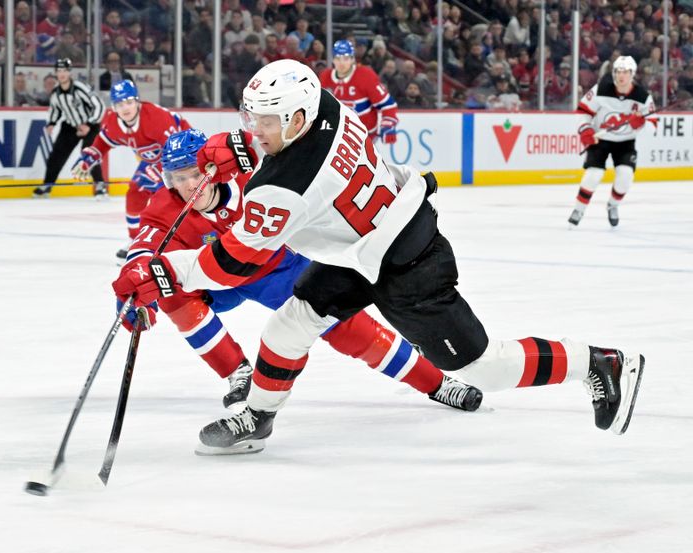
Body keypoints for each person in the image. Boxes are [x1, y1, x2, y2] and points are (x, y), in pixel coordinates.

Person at [123, 60, 645, 454]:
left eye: (265, 121)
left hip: (403, 258)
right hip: (360, 243)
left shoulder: (281, 189)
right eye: (250, 118)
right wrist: (246, 142)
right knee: (289, 326)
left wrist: (165, 270)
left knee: (486, 366)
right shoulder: (325, 102)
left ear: (296, 117)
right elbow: (285, 144)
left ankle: (599, 360)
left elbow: (231, 264)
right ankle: (258, 417)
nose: (256, 128)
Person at [111, 128, 483, 422]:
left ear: (212, 168)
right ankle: (238, 372)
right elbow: (142, 254)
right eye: (179, 177)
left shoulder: (249, 176)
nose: (191, 185)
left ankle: (436, 383)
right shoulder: (163, 206)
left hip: (276, 269)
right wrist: (132, 293)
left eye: (196, 173)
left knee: (349, 329)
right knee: (170, 291)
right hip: (217, 281)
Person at [71, 79, 191, 260]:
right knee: (135, 191)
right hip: (157, 159)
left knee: (172, 195)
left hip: (185, 153)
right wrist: (90, 158)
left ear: (137, 102)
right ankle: (136, 240)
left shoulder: (156, 119)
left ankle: (187, 237)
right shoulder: (113, 122)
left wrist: (161, 170)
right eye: (119, 104)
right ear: (113, 107)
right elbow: (102, 143)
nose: (125, 108)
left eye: (129, 102)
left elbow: (176, 149)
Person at [569, 55, 655, 228]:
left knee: (625, 177)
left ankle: (613, 205)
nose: (621, 75)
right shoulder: (601, 89)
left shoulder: (643, 97)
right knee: (593, 175)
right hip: (600, 139)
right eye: (618, 71)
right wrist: (585, 129)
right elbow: (583, 111)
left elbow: (653, 126)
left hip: (625, 142)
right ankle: (579, 209)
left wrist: (640, 123)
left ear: (633, 74)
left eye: (625, 72)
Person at [33, 59, 106, 199]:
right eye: (59, 71)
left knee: (89, 153)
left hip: (90, 124)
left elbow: (99, 105)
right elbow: (55, 110)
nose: (62, 74)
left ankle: (100, 185)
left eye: (65, 71)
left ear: (70, 72)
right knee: (57, 154)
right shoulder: (56, 92)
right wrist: (51, 124)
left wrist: (89, 125)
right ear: (55, 73)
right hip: (71, 126)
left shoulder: (80, 88)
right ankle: (47, 184)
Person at [319, 40, 399, 144]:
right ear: (333, 60)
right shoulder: (325, 77)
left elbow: (387, 104)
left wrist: (388, 124)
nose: (341, 63)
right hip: (336, 136)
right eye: (338, 58)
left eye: (346, 58)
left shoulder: (365, 75)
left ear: (353, 59)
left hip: (365, 136)